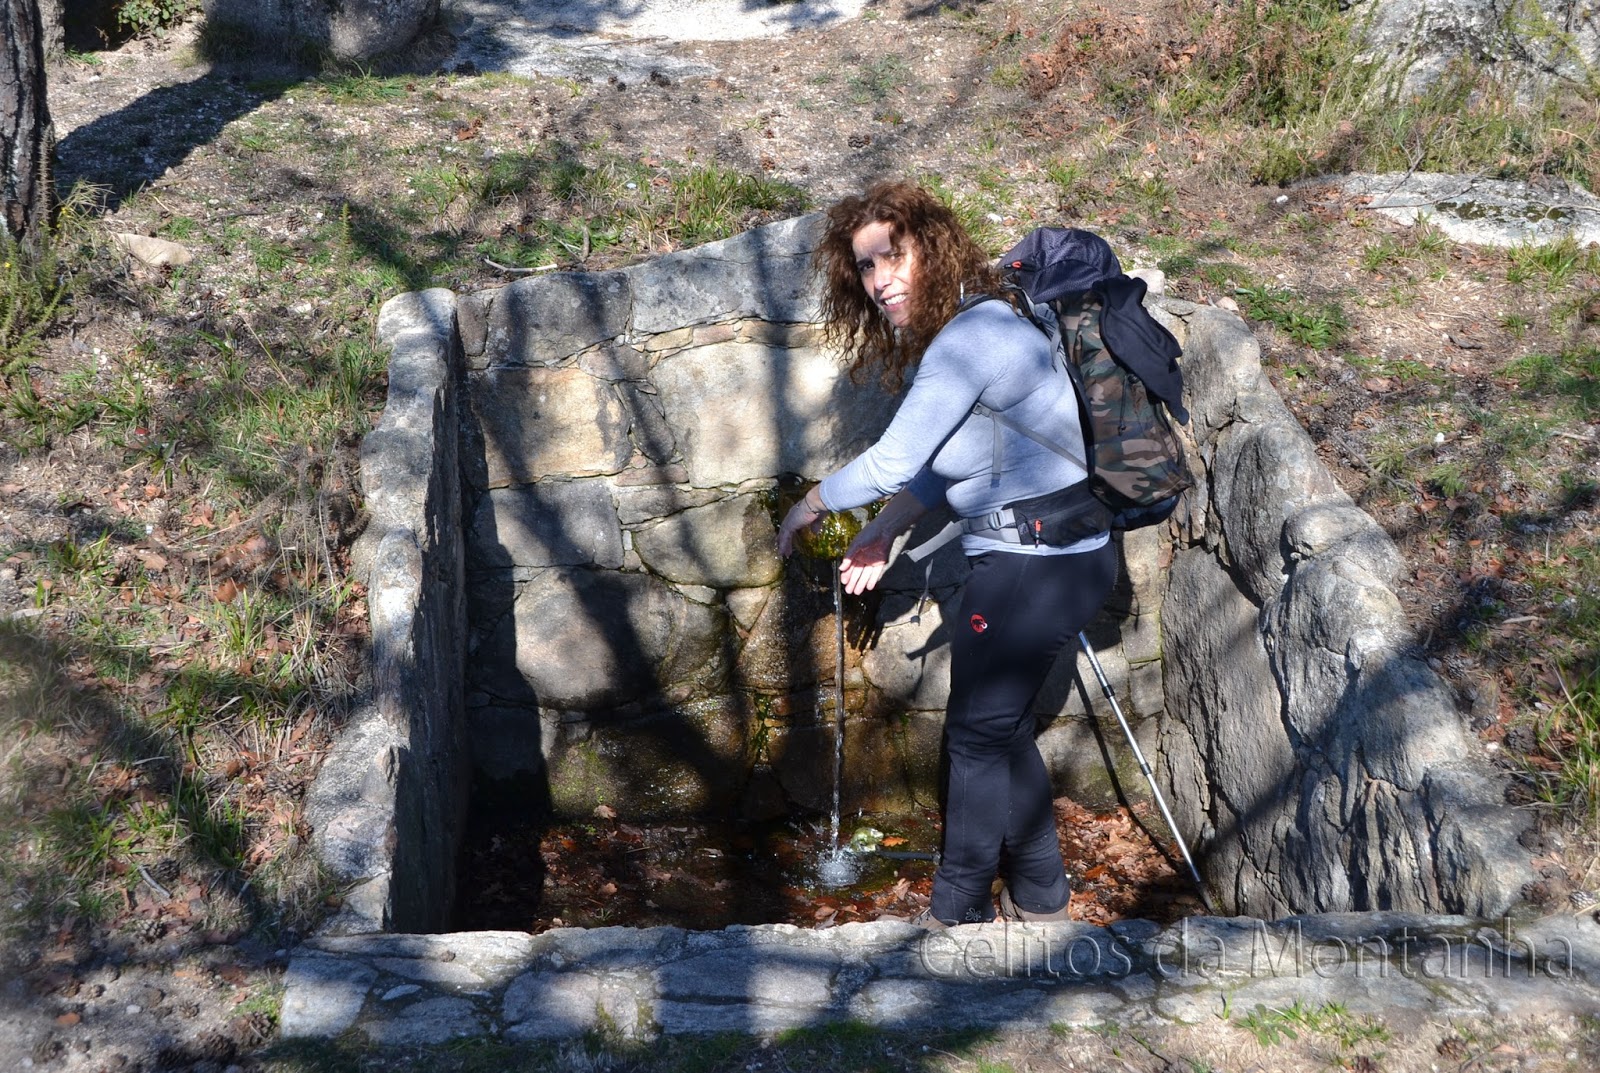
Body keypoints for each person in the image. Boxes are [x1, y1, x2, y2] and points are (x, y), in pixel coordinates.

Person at [776, 181, 1118, 927]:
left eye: (893, 257)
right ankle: (1041, 895)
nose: (879, 280)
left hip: (1034, 564)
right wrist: (885, 531)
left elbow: (891, 462)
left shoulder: (969, 338)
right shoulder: (982, 318)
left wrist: (811, 505)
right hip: (1056, 556)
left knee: (976, 737)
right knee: (1001, 728)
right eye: (866, 267)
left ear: (932, 248)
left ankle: (958, 914)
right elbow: (947, 461)